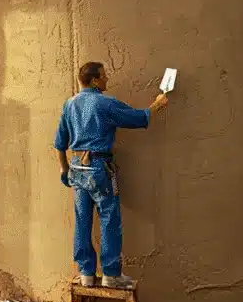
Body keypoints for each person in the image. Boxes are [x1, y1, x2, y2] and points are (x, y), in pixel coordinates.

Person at [53, 62, 169, 289]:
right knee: (109, 219)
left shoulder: (69, 104)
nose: (107, 80)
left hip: (77, 168)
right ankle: (110, 274)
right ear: (95, 80)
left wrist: (64, 169)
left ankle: (86, 273)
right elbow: (137, 118)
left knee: (82, 221)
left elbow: (59, 144)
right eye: (104, 77)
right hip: (99, 167)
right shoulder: (105, 104)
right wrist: (157, 105)